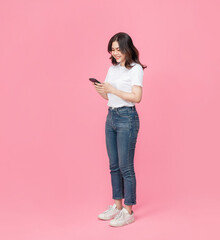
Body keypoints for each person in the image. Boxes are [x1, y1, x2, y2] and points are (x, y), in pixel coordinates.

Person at [92, 32, 146, 227]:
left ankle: (128, 211)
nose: (115, 53)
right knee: (113, 165)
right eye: (112, 50)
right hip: (111, 117)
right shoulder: (112, 69)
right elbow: (110, 98)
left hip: (127, 118)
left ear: (126, 48)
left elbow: (136, 97)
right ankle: (117, 205)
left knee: (126, 166)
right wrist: (102, 91)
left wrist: (112, 90)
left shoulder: (135, 69)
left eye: (118, 49)